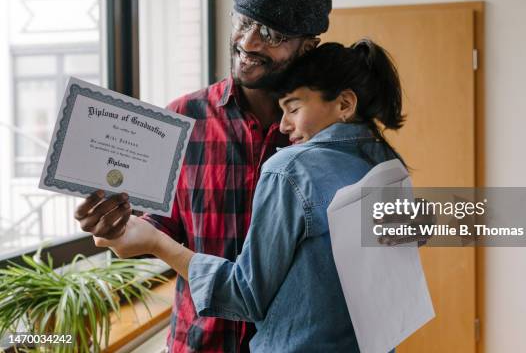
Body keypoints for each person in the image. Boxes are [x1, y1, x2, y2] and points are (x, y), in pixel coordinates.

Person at [74, 0, 331, 352]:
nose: (249, 42)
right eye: (243, 22)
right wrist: (116, 227)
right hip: (199, 342)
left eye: (272, 34)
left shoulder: (327, 130)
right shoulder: (182, 119)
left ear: (308, 47)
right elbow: (159, 223)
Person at [93, 39, 408, 352]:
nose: (285, 125)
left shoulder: (290, 169)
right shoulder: (387, 161)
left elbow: (244, 296)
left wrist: (156, 243)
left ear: (344, 104)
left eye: (294, 108)